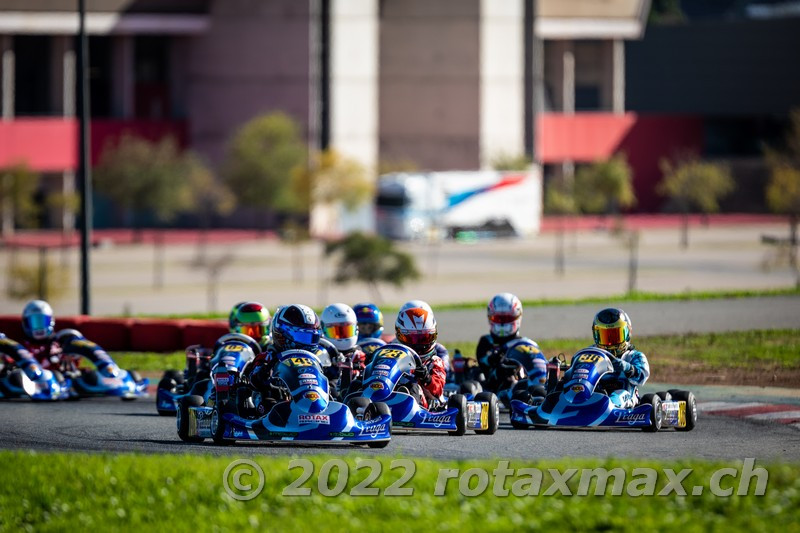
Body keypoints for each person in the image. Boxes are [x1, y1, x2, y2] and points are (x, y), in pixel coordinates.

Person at [246, 304, 323, 410]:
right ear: (280, 335)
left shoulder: (319, 359)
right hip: (276, 403)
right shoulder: (268, 357)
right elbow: (253, 379)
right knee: (268, 403)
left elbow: (332, 380)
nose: (306, 344)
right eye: (302, 337)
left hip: (313, 400)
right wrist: (265, 378)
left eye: (310, 338)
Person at [588, 307, 650, 409]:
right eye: (605, 336)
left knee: (616, 396)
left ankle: (609, 408)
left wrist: (628, 368)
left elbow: (642, 376)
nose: (610, 343)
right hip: (596, 392)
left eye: (615, 336)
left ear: (627, 333)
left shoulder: (633, 356)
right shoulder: (591, 353)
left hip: (625, 394)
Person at [475, 293, 540, 387]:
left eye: (507, 318)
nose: (502, 323)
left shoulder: (528, 344)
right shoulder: (486, 342)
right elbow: (483, 363)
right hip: (495, 388)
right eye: (497, 318)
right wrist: (494, 359)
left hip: (525, 387)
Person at [394, 300, 447, 409]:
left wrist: (426, 378)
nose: (418, 345)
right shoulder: (392, 353)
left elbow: (438, 390)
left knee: (413, 386)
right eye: (411, 338)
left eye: (423, 338)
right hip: (388, 393)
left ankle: (408, 405)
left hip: (425, 404)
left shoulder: (434, 361)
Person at [321, 304, 366, 388]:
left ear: (356, 329)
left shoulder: (360, 355)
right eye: (336, 332)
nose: (342, 337)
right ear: (323, 330)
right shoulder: (320, 354)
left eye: (346, 331)